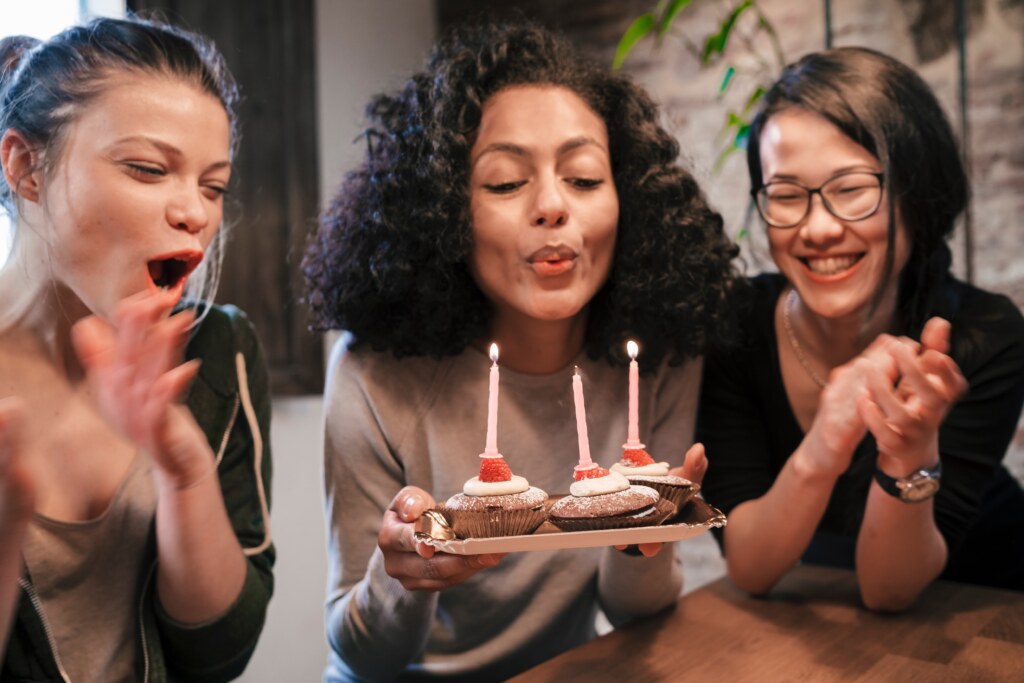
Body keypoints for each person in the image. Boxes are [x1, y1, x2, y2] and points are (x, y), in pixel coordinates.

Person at [304, 20, 739, 682]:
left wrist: (644, 538)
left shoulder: (657, 359)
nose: (551, 206)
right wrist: (405, 578)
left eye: (585, 178)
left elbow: (634, 612)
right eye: (506, 182)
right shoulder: (373, 374)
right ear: (445, 209)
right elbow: (361, 652)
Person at [696, 46, 1024, 610]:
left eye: (851, 190)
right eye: (787, 196)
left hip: (986, 610)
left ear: (915, 198)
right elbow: (748, 567)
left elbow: (888, 590)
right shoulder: (734, 327)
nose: (818, 228)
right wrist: (823, 448)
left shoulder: (983, 335)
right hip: (828, 619)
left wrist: (910, 455)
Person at [0, 17, 274, 681]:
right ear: (25, 167)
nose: (195, 213)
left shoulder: (218, 350)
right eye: (149, 169)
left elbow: (219, 655)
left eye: (213, 186)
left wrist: (185, 472)